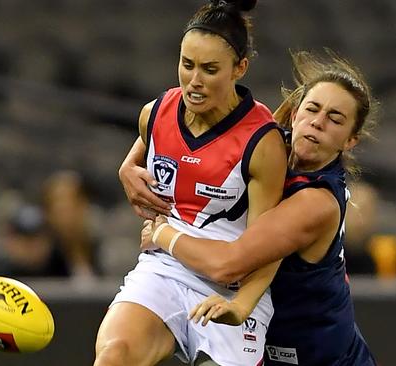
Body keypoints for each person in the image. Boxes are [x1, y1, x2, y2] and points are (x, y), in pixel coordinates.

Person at [142, 50, 377, 365]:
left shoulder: (316, 201)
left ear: (351, 141)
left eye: (335, 119)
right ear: (294, 114)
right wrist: (130, 163)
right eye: (312, 109)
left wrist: (163, 234)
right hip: (269, 348)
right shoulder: (266, 147)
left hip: (324, 359)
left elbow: (228, 265)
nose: (318, 123)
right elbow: (174, 129)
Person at [94, 1, 287, 365]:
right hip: (165, 268)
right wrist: (126, 167)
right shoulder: (155, 113)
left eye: (210, 70)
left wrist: (242, 306)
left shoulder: (262, 143)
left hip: (231, 284)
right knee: (113, 355)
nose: (194, 82)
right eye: (187, 65)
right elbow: (155, 146)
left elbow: (268, 246)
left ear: (239, 68)